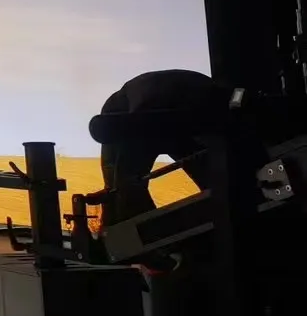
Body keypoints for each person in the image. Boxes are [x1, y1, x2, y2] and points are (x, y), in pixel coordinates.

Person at [97, 69, 230, 227]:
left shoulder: (207, 106)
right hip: (139, 110)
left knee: (124, 185)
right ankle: (130, 229)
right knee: (123, 187)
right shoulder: (148, 113)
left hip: (168, 110)